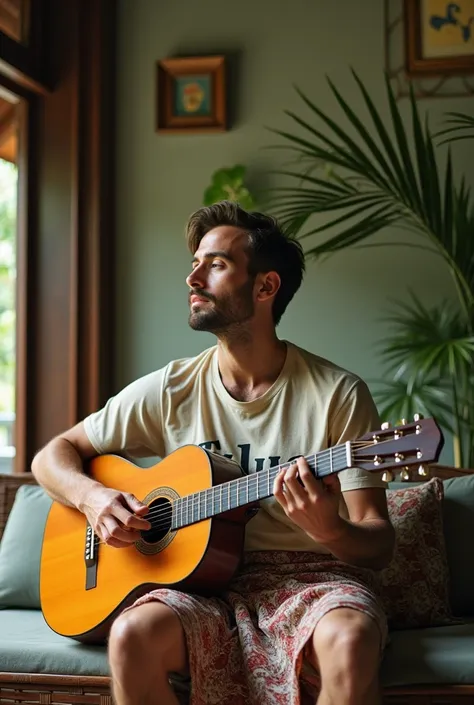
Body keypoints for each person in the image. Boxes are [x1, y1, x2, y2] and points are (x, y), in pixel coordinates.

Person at [32, 201, 395, 705]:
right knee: (131, 635)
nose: (193, 278)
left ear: (266, 287)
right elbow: (52, 455)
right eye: (195, 263)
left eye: (215, 264)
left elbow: (378, 545)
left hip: (312, 580)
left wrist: (331, 529)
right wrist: (93, 498)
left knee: (351, 641)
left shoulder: (337, 394)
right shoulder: (171, 388)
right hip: (199, 586)